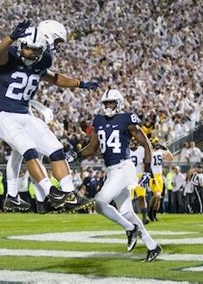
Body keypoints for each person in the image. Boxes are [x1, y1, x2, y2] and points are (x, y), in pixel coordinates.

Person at [0, 19, 97, 212]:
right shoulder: (10, 55)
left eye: (36, 50)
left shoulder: (44, 59)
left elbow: (53, 77)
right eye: (29, 49)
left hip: (25, 115)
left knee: (55, 148)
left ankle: (69, 194)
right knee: (28, 149)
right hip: (5, 116)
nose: (32, 53)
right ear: (21, 46)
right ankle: (50, 192)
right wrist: (10, 37)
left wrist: (79, 83)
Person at [66, 89, 162, 262]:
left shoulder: (127, 119)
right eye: (106, 103)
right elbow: (92, 147)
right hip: (111, 170)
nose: (108, 106)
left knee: (100, 203)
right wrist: (76, 154)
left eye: (112, 103)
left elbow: (146, 144)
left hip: (124, 168)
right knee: (126, 212)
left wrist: (148, 171)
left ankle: (129, 229)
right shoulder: (99, 120)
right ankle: (152, 246)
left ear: (119, 103)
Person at [148, 137, 173, 221]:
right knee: (157, 195)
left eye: (158, 142)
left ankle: (154, 214)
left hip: (159, 175)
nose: (157, 144)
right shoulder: (149, 152)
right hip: (153, 175)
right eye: (155, 142)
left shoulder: (161, 152)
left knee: (159, 197)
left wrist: (166, 148)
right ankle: (150, 212)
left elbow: (170, 158)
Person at [129, 138, 149, 224]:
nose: (134, 142)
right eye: (132, 141)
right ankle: (129, 218)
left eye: (135, 141)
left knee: (142, 197)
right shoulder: (126, 150)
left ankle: (144, 217)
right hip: (129, 176)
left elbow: (146, 161)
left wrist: (146, 173)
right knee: (129, 199)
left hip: (139, 175)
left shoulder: (142, 150)